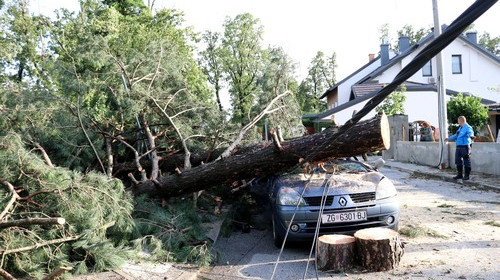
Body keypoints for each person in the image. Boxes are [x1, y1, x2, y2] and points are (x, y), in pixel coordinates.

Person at [445, 116, 474, 180]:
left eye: (458, 121)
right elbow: (456, 135)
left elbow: (470, 133)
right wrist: (448, 138)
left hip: (465, 147)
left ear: (461, 121)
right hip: (458, 147)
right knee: (458, 161)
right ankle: (459, 175)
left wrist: (471, 136)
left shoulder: (468, 127)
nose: (458, 122)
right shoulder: (460, 128)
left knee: (466, 161)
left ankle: (466, 176)